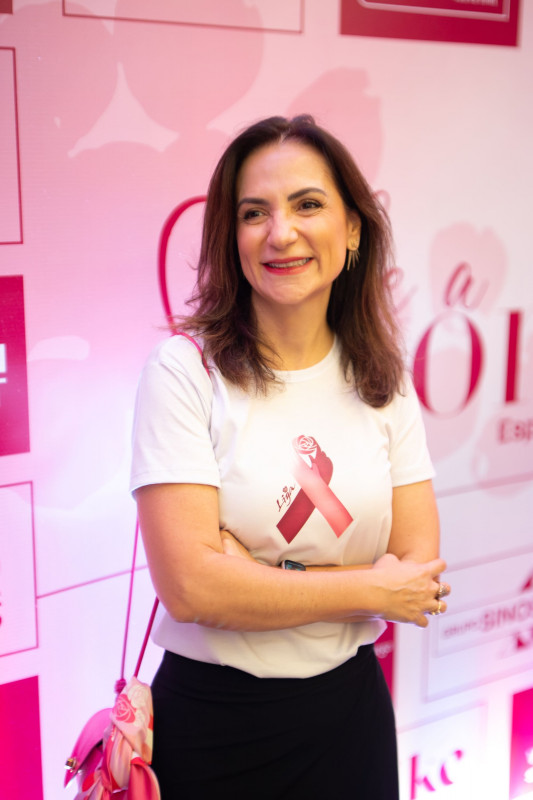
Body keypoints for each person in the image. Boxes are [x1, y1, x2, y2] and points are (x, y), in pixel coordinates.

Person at [130, 115, 450, 799]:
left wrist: (252, 578)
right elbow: (190, 589)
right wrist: (368, 587)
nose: (281, 233)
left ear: (352, 229)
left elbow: (417, 572)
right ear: (232, 238)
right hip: (212, 730)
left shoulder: (381, 380)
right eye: (254, 213)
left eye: (307, 204)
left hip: (350, 719)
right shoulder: (185, 372)